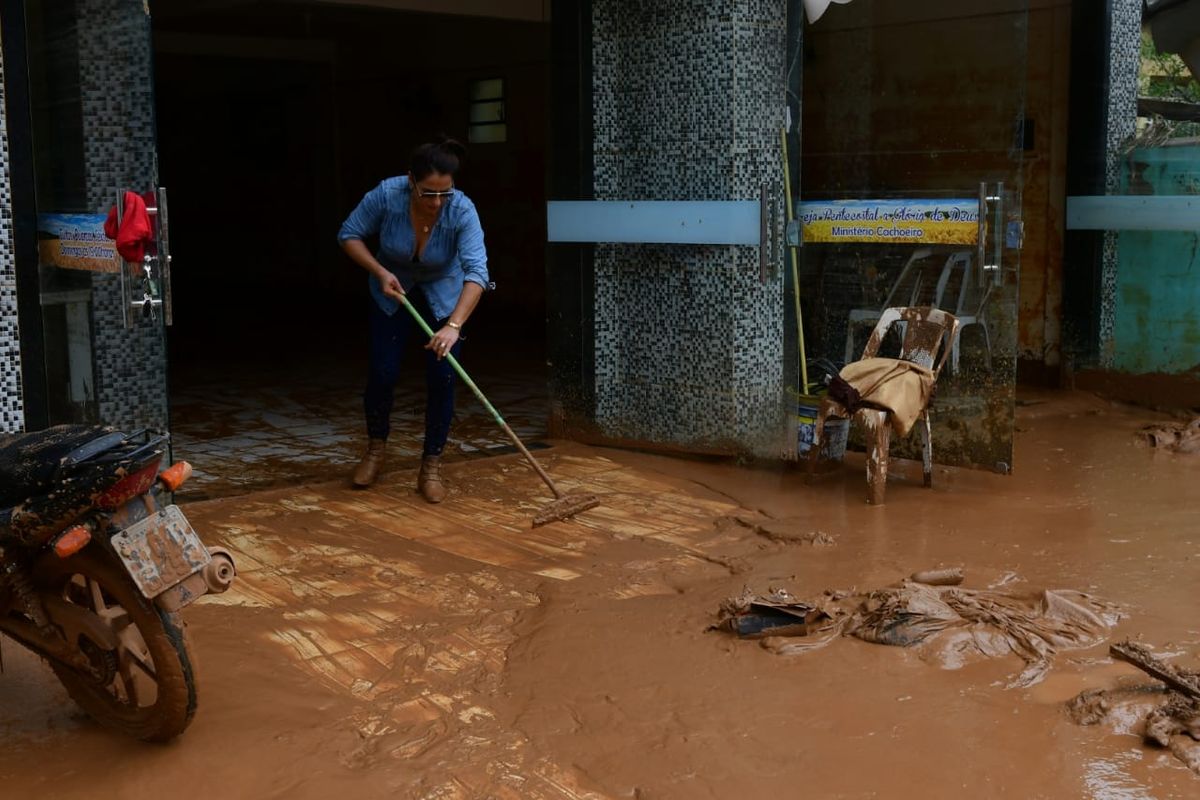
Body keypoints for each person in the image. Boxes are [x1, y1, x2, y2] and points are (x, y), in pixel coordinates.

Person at [337, 138, 488, 501]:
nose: (436, 202)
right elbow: (348, 234)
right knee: (383, 371)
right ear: (411, 181)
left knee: (443, 377)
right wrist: (379, 271)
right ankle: (375, 450)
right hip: (392, 290)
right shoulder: (387, 195)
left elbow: (477, 273)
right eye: (428, 193)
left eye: (444, 193)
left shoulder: (462, 209)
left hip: (444, 295)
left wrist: (453, 327)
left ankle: (431, 465)